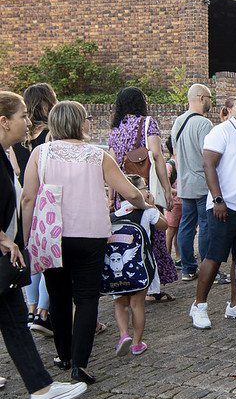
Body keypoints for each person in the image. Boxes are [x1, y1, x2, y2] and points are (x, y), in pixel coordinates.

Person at [21, 100, 150, 384]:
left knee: (58, 295)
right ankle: (81, 364)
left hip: (53, 234)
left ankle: (64, 355)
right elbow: (129, 192)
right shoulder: (97, 155)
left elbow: (28, 198)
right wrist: (144, 203)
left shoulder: (40, 154)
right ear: (80, 123)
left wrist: (26, 236)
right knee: (87, 297)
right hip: (90, 234)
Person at [0, 91, 88, 399]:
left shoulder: (6, 154)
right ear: (4, 121)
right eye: (23, 115)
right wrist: (7, 239)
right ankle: (41, 388)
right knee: (13, 322)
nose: (28, 121)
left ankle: (41, 387)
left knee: (14, 323)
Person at [189, 90, 236, 329]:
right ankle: (199, 305)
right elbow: (208, 165)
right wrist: (217, 199)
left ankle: (235, 304)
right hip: (223, 206)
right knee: (215, 256)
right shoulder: (220, 132)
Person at [108, 87, 176, 301]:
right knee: (152, 234)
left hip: (122, 192)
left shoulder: (115, 129)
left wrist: (112, 197)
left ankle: (130, 281)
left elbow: (112, 165)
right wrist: (166, 189)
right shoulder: (147, 123)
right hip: (145, 190)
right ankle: (151, 289)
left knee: (129, 237)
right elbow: (157, 156)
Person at [16, 84, 57, 336]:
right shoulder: (51, 135)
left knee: (30, 257)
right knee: (49, 260)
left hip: (22, 203)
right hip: (47, 204)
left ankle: (31, 311)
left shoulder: (18, 138)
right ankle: (43, 313)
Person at [112, 174, 167, 355]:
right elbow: (164, 225)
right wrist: (152, 206)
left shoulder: (113, 216)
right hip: (140, 268)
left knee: (120, 303)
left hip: (116, 270)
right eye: (144, 188)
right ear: (136, 192)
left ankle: (123, 335)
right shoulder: (147, 212)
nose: (148, 191)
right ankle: (137, 343)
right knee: (137, 304)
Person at [171, 83, 213, 282]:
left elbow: (175, 153)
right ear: (201, 98)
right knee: (205, 226)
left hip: (184, 182)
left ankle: (188, 268)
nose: (211, 103)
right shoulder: (204, 124)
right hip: (203, 183)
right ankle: (207, 268)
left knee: (186, 226)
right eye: (210, 98)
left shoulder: (177, 122)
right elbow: (209, 156)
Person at [163, 136, 181, 270]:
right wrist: (179, 191)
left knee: (180, 231)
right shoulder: (170, 165)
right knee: (171, 231)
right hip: (174, 204)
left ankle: (179, 257)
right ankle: (167, 257)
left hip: (182, 203)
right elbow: (166, 186)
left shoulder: (181, 163)